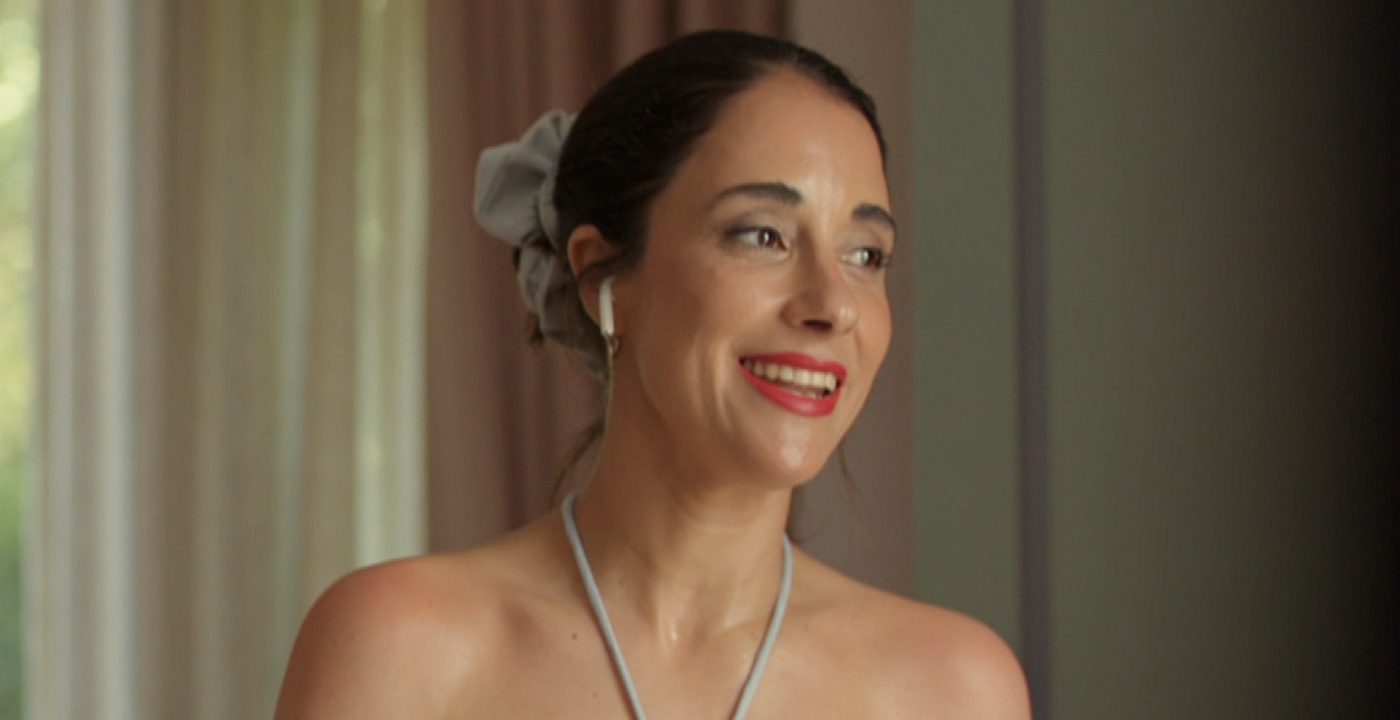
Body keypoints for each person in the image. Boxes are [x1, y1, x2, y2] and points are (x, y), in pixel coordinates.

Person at [274, 30, 1030, 720]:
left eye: (865, 254)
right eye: (762, 235)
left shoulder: (955, 689)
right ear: (603, 274)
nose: (833, 305)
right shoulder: (397, 650)